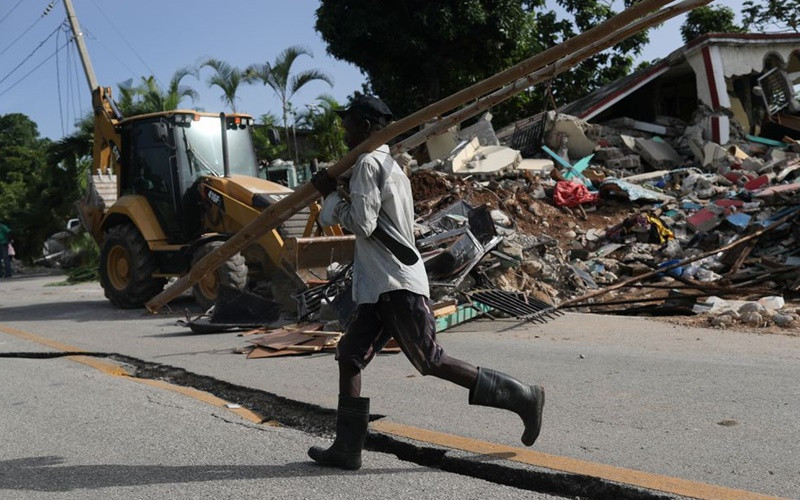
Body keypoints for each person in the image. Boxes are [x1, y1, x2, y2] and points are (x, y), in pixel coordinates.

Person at [308, 95, 545, 471]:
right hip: (379, 285)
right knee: (350, 356)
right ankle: (347, 447)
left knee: (430, 359)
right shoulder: (388, 165)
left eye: (350, 123)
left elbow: (362, 223)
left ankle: (522, 396)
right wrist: (341, 187)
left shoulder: (370, 163)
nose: (344, 130)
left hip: (394, 283)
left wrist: (331, 197)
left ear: (368, 127)